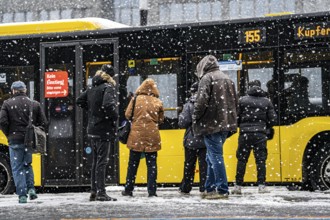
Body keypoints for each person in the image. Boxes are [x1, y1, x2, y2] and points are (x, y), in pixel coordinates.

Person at [192, 55, 238, 200]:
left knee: (215, 156)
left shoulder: (207, 78)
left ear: (203, 67)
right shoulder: (228, 78)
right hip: (225, 123)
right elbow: (235, 102)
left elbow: (201, 102)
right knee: (210, 156)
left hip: (211, 123)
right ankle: (209, 187)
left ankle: (222, 189)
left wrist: (195, 116)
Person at [0, 81, 47, 203]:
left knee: (17, 167)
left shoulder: (7, 104)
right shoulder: (34, 104)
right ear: (25, 90)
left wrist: (9, 134)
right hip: (29, 140)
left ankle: (22, 195)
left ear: (13, 91)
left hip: (14, 139)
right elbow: (43, 123)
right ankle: (31, 189)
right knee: (27, 164)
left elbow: (2, 122)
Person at [76, 66, 118, 202]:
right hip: (102, 130)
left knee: (95, 162)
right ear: (111, 76)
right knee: (102, 162)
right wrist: (114, 116)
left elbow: (79, 101)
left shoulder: (92, 87)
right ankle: (101, 192)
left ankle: (94, 191)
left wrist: (93, 112)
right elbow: (108, 105)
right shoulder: (108, 87)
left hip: (92, 130)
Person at [232, 80, 277, 195]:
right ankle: (261, 185)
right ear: (260, 87)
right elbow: (273, 120)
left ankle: (238, 186)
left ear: (249, 87)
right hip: (260, 135)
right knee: (260, 160)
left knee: (242, 160)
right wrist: (264, 125)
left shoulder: (242, 100)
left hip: (245, 134)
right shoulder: (266, 101)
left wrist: (242, 125)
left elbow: (236, 117)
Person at [121, 78, 164, 197]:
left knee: (133, 164)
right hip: (152, 135)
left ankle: (128, 189)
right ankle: (152, 191)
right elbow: (161, 120)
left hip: (136, 135)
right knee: (152, 164)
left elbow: (127, 115)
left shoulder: (135, 99)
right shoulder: (157, 102)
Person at [178, 82, 207, 195]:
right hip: (205, 139)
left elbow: (182, 122)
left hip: (191, 138)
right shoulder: (208, 103)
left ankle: (186, 186)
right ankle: (204, 187)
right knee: (204, 165)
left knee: (189, 164)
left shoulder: (189, 104)